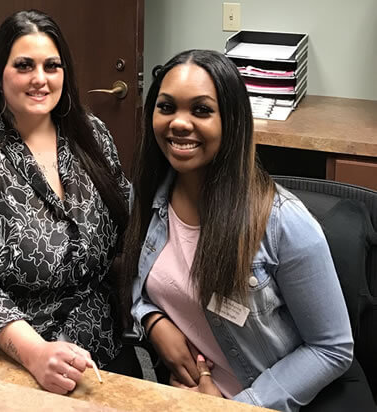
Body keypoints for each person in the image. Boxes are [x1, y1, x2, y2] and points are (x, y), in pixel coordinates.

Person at [124, 49, 357, 411]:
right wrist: (153, 321)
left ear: (232, 121)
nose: (179, 123)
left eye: (201, 110)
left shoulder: (282, 222)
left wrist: (239, 405)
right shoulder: (148, 196)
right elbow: (139, 285)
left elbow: (332, 348)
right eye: (166, 107)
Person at [0, 9, 140, 395]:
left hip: (96, 342)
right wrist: (35, 353)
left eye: (52, 66)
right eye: (24, 65)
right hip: (5, 347)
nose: (40, 79)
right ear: (0, 73)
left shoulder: (91, 134)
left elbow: (129, 231)